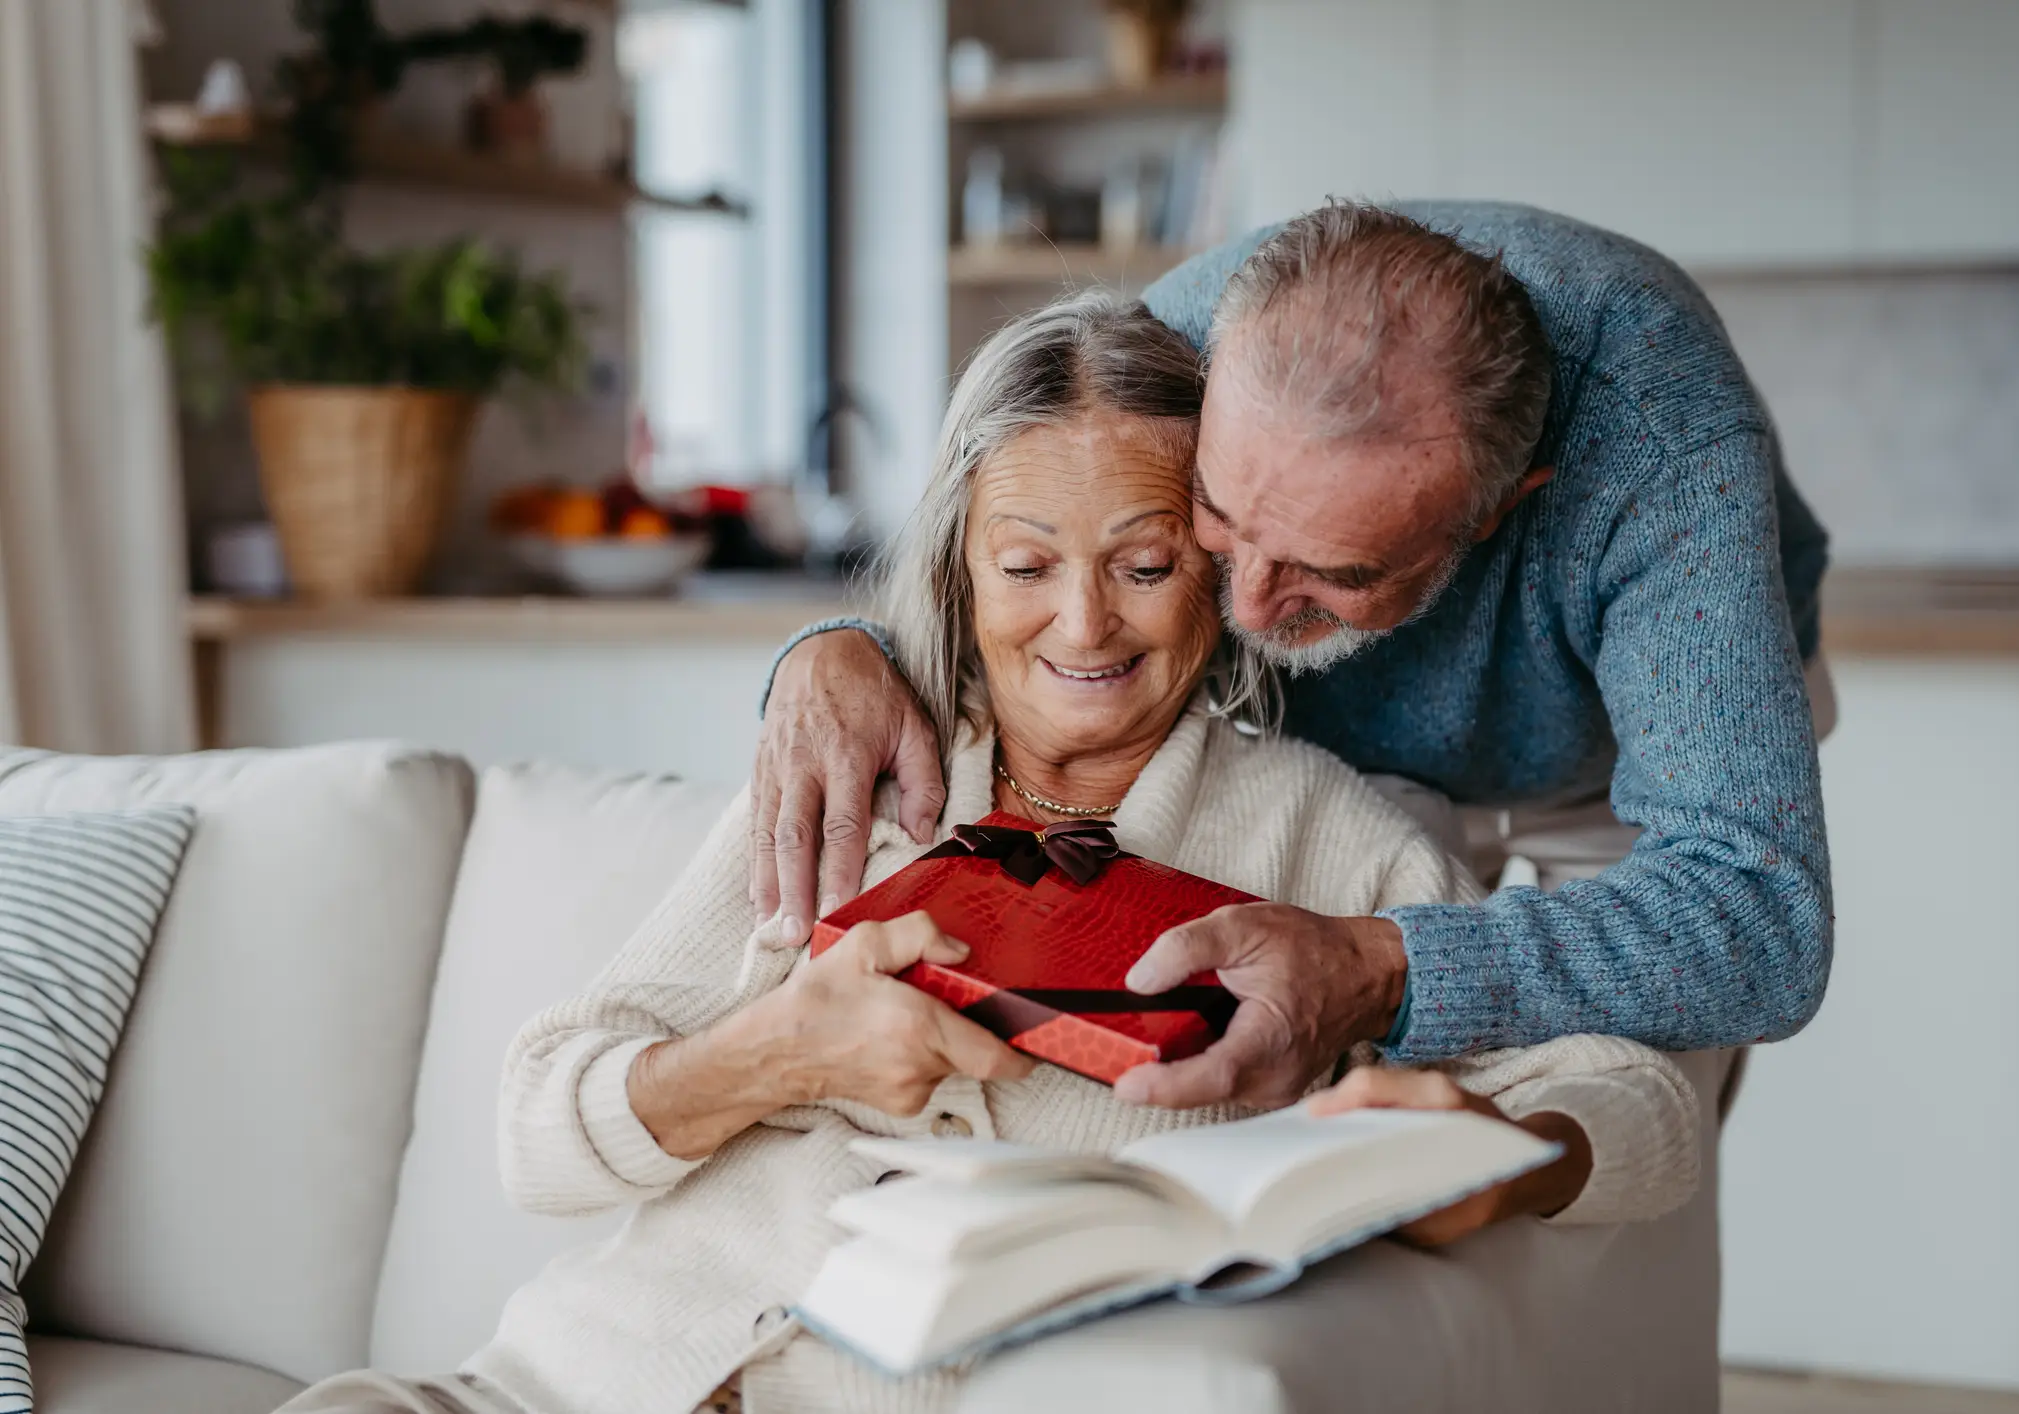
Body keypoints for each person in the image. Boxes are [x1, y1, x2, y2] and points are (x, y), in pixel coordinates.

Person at [275, 291, 1699, 1414]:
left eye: (1143, 564)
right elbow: (538, 1127)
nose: (1082, 628)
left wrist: (1502, 1152)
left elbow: (1639, 1098)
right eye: (1026, 566)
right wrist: (783, 1051)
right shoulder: (855, 772)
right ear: (960, 563)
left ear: (1216, 557)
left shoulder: (1324, 843)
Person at [752, 199, 1836, 1109]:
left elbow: (1755, 914)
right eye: (1219, 520)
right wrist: (841, 645)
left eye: (1337, 572)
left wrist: (1382, 966)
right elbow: (1017, 552)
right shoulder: (1183, 340)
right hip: (1347, 762)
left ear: (1506, 505)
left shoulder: (1662, 439)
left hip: (1619, 777)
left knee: (1620, 1125)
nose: (1252, 606)